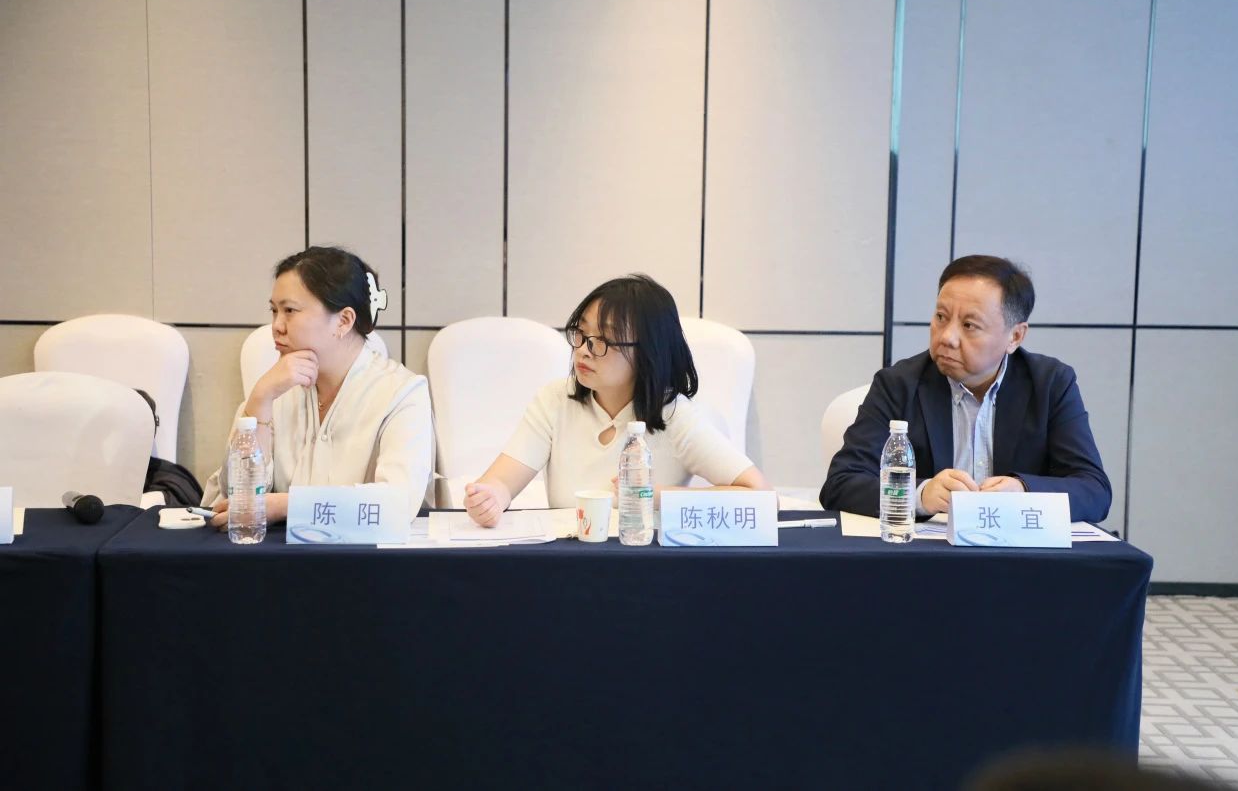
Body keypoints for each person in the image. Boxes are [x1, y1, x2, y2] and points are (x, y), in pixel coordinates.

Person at [820, 255, 1110, 523]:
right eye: (941, 317)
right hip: (928, 553)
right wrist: (920, 495)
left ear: (1015, 336)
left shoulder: (1050, 384)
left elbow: (1094, 490)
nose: (947, 337)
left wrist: (1023, 491)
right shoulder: (899, 384)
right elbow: (841, 484)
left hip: (1019, 553)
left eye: (969, 325)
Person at [464, 274, 767, 527]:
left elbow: (760, 495)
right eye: (581, 333)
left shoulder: (674, 415)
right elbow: (501, 483)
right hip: (566, 560)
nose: (583, 350)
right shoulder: (555, 400)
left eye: (603, 341)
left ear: (647, 352)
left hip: (644, 562)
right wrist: (490, 498)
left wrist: (653, 496)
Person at [200, 246, 433, 529]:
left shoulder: (402, 392)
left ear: (344, 321)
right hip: (277, 552)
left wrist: (285, 506)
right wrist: (260, 399)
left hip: (364, 554)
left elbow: (397, 504)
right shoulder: (275, 387)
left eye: (289, 311)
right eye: (274, 311)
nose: (276, 326)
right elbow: (238, 499)